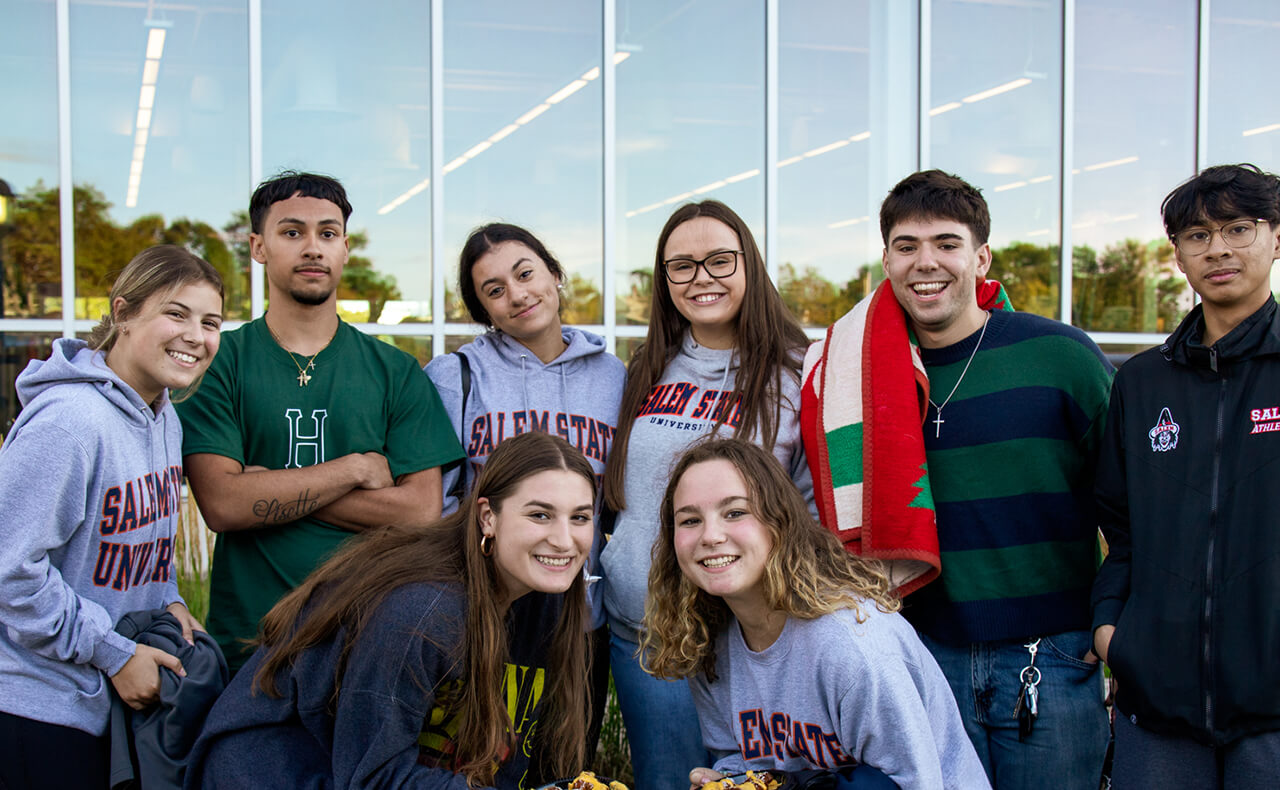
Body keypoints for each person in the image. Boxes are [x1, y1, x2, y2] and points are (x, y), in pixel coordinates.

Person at [802, 170, 1113, 789]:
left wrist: (1114, 624)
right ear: (886, 258)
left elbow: (1133, 507)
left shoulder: (1060, 357)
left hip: (1050, 656)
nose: (926, 263)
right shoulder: (854, 376)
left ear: (981, 256)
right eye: (906, 246)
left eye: (946, 243)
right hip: (922, 652)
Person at [185, 431, 596, 790]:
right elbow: (374, 778)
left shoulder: (544, 598)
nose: (564, 540)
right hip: (275, 772)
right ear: (488, 517)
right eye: (540, 515)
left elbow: (511, 758)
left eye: (579, 518)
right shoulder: (422, 611)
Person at [174, 171, 463, 673]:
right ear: (258, 247)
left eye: (327, 234)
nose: (313, 248)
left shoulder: (394, 371)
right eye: (292, 233)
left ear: (345, 248)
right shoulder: (221, 362)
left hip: (367, 639)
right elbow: (221, 505)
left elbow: (420, 512)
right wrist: (352, 470)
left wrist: (264, 489)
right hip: (250, 643)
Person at [600, 200, 813, 790]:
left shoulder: (797, 373)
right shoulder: (649, 367)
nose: (701, 279)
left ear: (750, 264)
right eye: (681, 266)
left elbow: (811, 508)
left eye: (719, 260)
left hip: (748, 638)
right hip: (647, 632)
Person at [642, 438, 989, 790]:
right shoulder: (706, 637)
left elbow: (917, 782)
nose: (710, 535)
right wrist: (726, 782)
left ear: (780, 522)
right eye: (689, 520)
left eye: (735, 513)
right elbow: (742, 762)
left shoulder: (851, 646)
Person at [0, 245, 224, 789]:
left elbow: (141, 545)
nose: (196, 335)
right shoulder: (69, 425)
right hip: (40, 710)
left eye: (211, 322)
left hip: (112, 705)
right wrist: (114, 654)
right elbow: (10, 572)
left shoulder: (164, 416)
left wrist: (167, 596)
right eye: (176, 313)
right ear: (123, 313)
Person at [1091, 163, 1280, 787]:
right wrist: (1113, 635)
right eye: (1197, 235)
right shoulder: (1142, 383)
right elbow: (1120, 529)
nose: (1218, 248)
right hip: (1159, 706)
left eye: (1238, 228)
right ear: (1177, 255)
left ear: (1276, 238)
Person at [425, 223, 625, 751]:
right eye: (494, 290)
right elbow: (439, 503)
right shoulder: (456, 376)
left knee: (567, 764)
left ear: (554, 275)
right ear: (483, 310)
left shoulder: (614, 378)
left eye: (525, 273)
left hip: (581, 618)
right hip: (487, 618)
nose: (517, 294)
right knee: (480, 762)